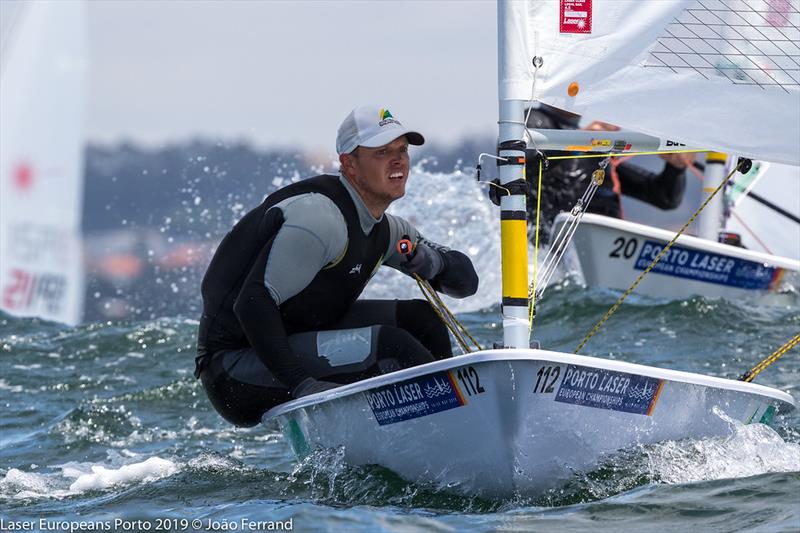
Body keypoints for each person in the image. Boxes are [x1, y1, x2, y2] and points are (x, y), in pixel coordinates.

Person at [195, 105, 479, 427]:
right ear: (349, 164)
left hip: (300, 332)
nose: (398, 160)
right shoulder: (321, 218)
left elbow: (466, 284)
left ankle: (449, 418)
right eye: (382, 152)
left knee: (420, 318)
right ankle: (457, 423)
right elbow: (251, 303)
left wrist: (435, 262)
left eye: (402, 150)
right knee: (391, 345)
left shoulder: (388, 230)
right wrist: (303, 385)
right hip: (235, 369)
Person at [521, 103, 694, 242]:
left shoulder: (595, 154)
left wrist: (675, 168)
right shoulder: (536, 121)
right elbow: (524, 161)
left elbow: (664, 198)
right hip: (550, 243)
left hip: (601, 244)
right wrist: (580, 140)